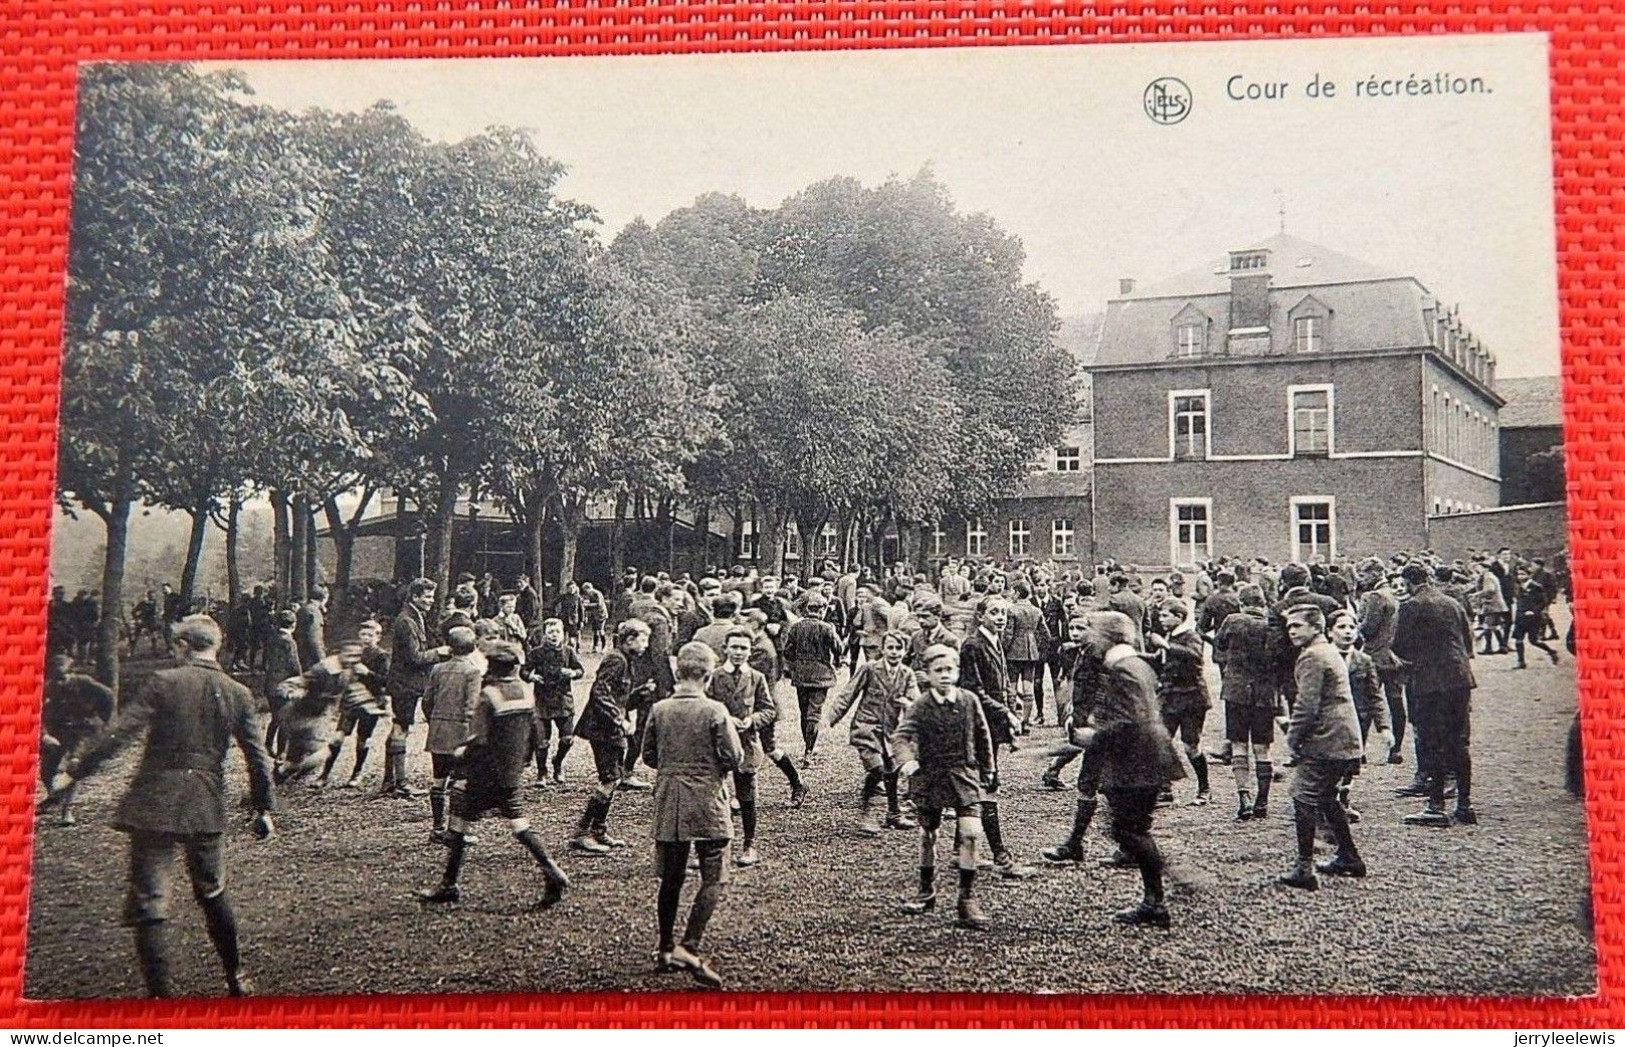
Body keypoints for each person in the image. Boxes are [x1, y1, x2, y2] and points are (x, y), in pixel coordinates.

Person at [43, 615, 275, 997]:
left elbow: (119, 733)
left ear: (183, 646)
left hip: (154, 801)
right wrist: (264, 808)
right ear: (214, 646)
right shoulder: (238, 692)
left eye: (175, 646)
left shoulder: (164, 682)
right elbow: (257, 755)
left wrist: (76, 770)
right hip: (204, 800)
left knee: (151, 900)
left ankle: (162, 998)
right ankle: (236, 976)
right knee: (213, 891)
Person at [416, 640, 570, 908]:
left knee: (459, 826)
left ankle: (449, 884)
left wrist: (459, 760)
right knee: (520, 826)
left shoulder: (489, 696)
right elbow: (537, 734)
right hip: (509, 775)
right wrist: (525, 762)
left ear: (494, 668)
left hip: (484, 775)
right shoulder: (524, 693)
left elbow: (477, 740)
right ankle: (552, 869)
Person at [1065, 611, 1182, 927]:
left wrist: (1094, 735)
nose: (1086, 637)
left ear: (1106, 637)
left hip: (1138, 758)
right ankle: (1156, 895)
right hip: (1144, 755)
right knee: (1129, 828)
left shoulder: (1123, 670)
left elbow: (1132, 719)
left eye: (1091, 630)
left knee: (1129, 829)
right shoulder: (1135, 665)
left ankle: (1159, 898)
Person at [643, 641, 743, 989]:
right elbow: (734, 757)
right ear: (709, 674)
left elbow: (649, 757)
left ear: (677, 672)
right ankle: (691, 945)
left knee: (672, 876)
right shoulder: (715, 710)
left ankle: (665, 947)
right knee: (714, 874)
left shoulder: (658, 709)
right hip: (707, 798)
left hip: (670, 798)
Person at [893, 644, 995, 930]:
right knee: (929, 835)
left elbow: (982, 733)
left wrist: (989, 768)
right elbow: (901, 737)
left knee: (971, 834)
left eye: (950, 670)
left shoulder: (969, 700)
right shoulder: (921, 705)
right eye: (938, 671)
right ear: (928, 675)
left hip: (963, 774)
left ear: (958, 672)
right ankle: (926, 892)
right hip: (931, 776)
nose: (945, 675)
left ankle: (967, 900)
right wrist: (907, 761)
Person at [1277, 606, 1367, 889]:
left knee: (1301, 794)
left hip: (1327, 739)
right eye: (1289, 626)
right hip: (1342, 737)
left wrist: (1293, 739)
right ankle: (1349, 856)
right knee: (1327, 796)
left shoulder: (1313, 656)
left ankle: (1304, 869)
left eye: (1297, 626)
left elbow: (1307, 705)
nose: (1291, 631)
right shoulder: (1327, 651)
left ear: (1316, 628)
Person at [1393, 560, 1479, 827]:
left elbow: (1400, 646)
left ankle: (1436, 806)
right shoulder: (1452, 603)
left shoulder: (1411, 606)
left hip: (1431, 681)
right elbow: (1467, 640)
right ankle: (1465, 805)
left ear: (1408, 582)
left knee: (1433, 741)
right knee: (1459, 741)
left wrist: (1412, 660)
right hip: (1460, 678)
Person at [955, 596, 1034, 880]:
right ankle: (1001, 856)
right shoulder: (972, 646)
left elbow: (1002, 683)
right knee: (986, 785)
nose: (1000, 617)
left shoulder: (995, 641)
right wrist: (1006, 713)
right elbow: (973, 690)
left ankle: (959, 850)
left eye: (1003, 613)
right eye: (994, 612)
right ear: (980, 616)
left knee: (974, 786)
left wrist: (1011, 708)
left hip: (992, 725)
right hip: (976, 726)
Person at [570, 619, 655, 854]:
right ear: (629, 640)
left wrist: (640, 694)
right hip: (604, 729)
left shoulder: (626, 660)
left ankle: (598, 829)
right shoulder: (616, 659)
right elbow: (600, 692)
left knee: (614, 778)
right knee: (609, 779)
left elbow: (619, 696)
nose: (646, 645)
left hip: (610, 729)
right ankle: (582, 832)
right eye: (643, 639)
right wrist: (620, 720)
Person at [824, 630, 920, 836]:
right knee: (877, 770)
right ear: (883, 649)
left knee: (892, 770)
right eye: (890, 647)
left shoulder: (907, 674)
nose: (894, 652)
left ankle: (893, 813)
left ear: (904, 651)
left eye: (899, 648)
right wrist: (833, 716)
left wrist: (908, 703)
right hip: (866, 727)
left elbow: (917, 702)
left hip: (890, 730)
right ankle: (866, 814)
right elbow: (849, 693)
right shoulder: (869, 669)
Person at [707, 627, 778, 866]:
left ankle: (749, 844)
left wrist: (752, 720)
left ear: (750, 651)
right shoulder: (715, 676)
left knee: (747, 796)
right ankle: (715, 845)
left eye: (744, 648)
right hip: (717, 743)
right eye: (734, 647)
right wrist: (724, 720)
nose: (738, 652)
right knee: (714, 795)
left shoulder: (756, 678)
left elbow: (769, 710)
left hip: (746, 743)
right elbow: (705, 707)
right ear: (725, 649)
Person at [1212, 584, 1277, 821]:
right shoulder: (1272, 624)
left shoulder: (1232, 620)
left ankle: (1244, 798)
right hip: (1264, 693)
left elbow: (1219, 644)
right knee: (1263, 747)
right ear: (1262, 603)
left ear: (1242, 603)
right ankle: (1263, 800)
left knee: (1239, 745)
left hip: (1236, 690)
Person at [382, 579, 449, 799]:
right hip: (404, 684)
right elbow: (414, 657)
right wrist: (439, 652)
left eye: (431, 596)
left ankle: (390, 780)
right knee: (401, 727)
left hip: (408, 683)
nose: (430, 601)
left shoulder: (415, 616)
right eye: (427, 596)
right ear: (414, 596)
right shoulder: (406, 621)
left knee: (400, 727)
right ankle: (399, 783)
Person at [1328, 610, 1394, 823]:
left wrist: (1384, 727)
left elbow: (1375, 696)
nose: (1347, 632)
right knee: (1328, 761)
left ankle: (1343, 800)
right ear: (1330, 632)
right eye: (1341, 627)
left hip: (1357, 720)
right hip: (1329, 720)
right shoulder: (1322, 657)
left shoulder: (1364, 661)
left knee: (1351, 762)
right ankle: (1325, 802)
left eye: (1351, 628)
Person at [37, 654, 115, 827]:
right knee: (47, 769)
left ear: (71, 673)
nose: (60, 682)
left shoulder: (84, 682)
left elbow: (108, 695)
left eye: (63, 677)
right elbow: (38, 712)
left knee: (73, 766)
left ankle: (67, 810)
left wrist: (103, 718)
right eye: (55, 679)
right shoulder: (48, 688)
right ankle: (55, 795)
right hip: (60, 730)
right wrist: (44, 735)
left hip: (83, 729)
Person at [423, 627, 485, 845]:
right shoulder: (473, 672)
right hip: (460, 733)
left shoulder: (437, 669)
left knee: (439, 780)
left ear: (449, 647)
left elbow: (427, 701)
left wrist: (435, 721)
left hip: (439, 731)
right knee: (461, 783)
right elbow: (472, 707)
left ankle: (436, 828)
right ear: (473, 648)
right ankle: (455, 831)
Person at [1145, 597, 1210, 805]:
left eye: (1165, 615)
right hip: (1170, 698)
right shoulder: (1170, 635)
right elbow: (1160, 660)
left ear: (1179, 617)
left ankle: (1204, 789)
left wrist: (1164, 645)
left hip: (1191, 699)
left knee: (1191, 746)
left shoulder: (1190, 636)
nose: (1160, 619)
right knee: (1162, 742)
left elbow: (1194, 656)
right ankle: (1165, 790)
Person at [314, 619, 389, 788]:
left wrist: (368, 673)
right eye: (363, 634)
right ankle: (324, 774)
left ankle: (356, 773)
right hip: (351, 702)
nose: (366, 638)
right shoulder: (353, 653)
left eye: (370, 635)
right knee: (337, 738)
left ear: (378, 637)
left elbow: (386, 681)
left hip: (371, 703)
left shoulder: (381, 656)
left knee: (363, 740)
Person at [780, 592, 843, 768]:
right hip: (821, 675)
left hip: (801, 675)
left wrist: (799, 661)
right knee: (814, 714)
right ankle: (809, 751)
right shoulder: (826, 627)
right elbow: (839, 648)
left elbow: (788, 652)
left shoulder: (796, 627)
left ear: (807, 609)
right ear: (822, 610)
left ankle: (807, 749)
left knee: (804, 712)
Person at [525, 618, 583, 787]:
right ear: (545, 634)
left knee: (567, 738)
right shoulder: (536, 653)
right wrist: (531, 676)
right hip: (542, 700)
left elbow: (580, 670)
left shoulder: (568, 652)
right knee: (542, 741)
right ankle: (542, 772)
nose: (554, 635)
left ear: (562, 633)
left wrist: (572, 673)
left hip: (563, 700)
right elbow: (524, 670)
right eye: (550, 632)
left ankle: (558, 763)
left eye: (557, 631)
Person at [261, 609, 301, 759]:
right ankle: (281, 752)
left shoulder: (272, 638)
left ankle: (268, 744)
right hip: (284, 685)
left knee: (276, 717)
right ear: (293, 625)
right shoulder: (289, 642)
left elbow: (266, 660)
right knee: (285, 718)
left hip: (271, 683)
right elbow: (294, 665)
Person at [1512, 565, 1561, 668]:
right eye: (1518, 574)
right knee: (1518, 640)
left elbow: (1543, 601)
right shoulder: (1518, 587)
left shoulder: (1536, 587)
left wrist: (1534, 611)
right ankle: (1521, 662)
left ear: (1529, 575)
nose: (1520, 576)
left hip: (1532, 618)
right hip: (1520, 616)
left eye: (1523, 574)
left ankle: (1552, 652)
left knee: (1534, 640)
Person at [294, 585, 329, 670]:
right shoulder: (314, 613)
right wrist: (321, 658)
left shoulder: (303, 609)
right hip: (310, 658)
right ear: (323, 599)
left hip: (301, 654)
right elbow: (314, 638)